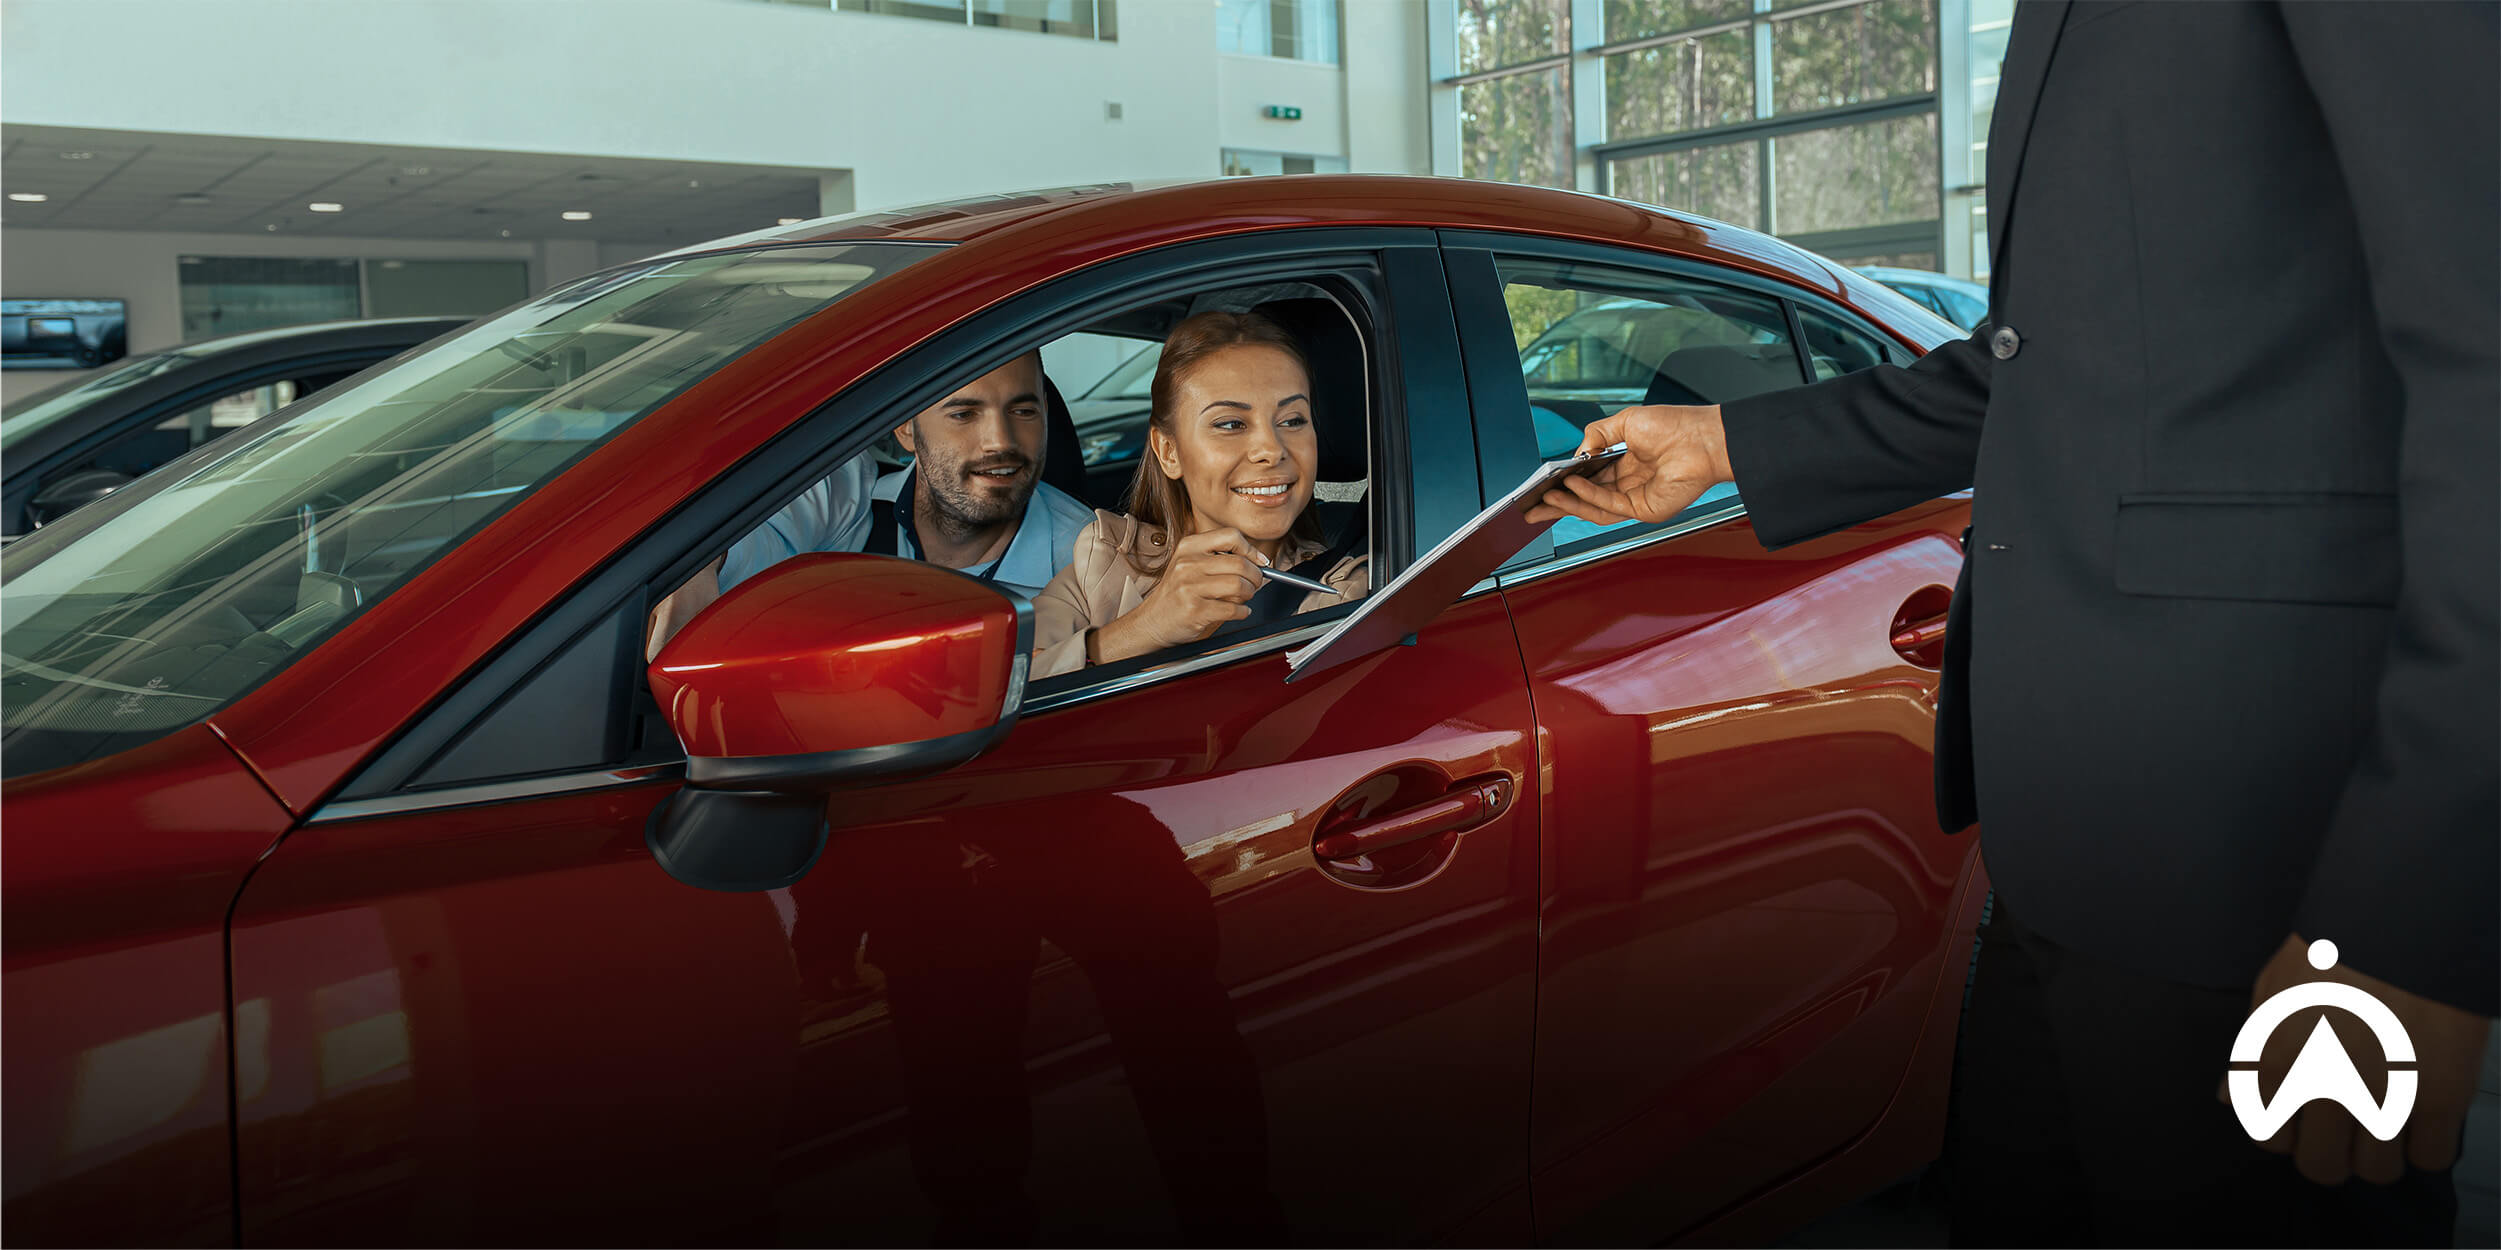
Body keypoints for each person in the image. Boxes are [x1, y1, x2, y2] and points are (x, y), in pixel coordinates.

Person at [1531, 2, 2495, 1245]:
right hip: (2059, 846)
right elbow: (2030, 359)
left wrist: (2411, 923)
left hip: (2264, 852)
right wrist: (1724, 441)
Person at [647, 350, 1096, 654]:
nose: (1001, 441)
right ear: (906, 430)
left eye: (1024, 411)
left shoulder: (1090, 563)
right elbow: (741, 553)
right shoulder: (849, 499)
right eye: (963, 414)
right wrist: (702, 555)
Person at [1029, 311, 1365, 679]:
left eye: (1292, 420)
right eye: (1231, 424)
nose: (1271, 448)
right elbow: (1002, 697)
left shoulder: (1350, 591)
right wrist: (1143, 629)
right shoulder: (1104, 558)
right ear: (1169, 451)